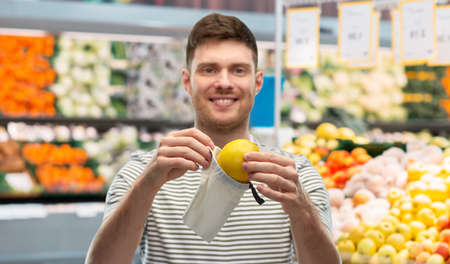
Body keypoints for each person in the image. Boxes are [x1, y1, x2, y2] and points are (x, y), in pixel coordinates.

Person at [85, 13, 340, 264]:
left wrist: (301, 209)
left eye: (238, 70)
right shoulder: (142, 172)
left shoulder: (295, 176)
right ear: (187, 81)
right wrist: (147, 185)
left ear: (258, 82)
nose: (224, 82)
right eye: (209, 70)